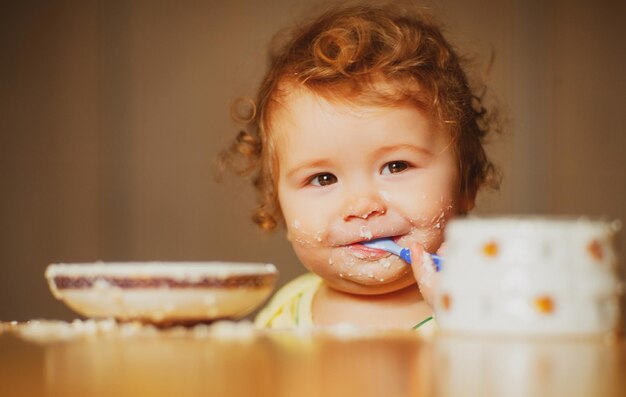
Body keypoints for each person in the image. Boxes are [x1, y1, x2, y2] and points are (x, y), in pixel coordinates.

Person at [220, 1, 498, 330]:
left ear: (467, 180)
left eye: (396, 166)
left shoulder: (486, 312)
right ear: (276, 205)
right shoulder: (284, 314)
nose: (362, 206)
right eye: (323, 178)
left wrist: (463, 320)